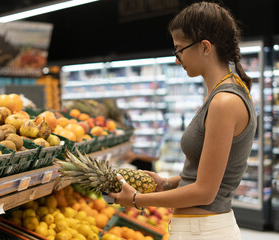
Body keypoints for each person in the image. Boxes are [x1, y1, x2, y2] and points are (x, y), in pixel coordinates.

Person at [109, 2, 257, 239]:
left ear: (205, 47)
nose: (178, 59)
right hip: (202, 228)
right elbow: (207, 173)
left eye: (179, 49)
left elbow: (205, 192)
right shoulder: (226, 93)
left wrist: (138, 199)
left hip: (204, 231)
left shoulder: (223, 102)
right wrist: (166, 183)